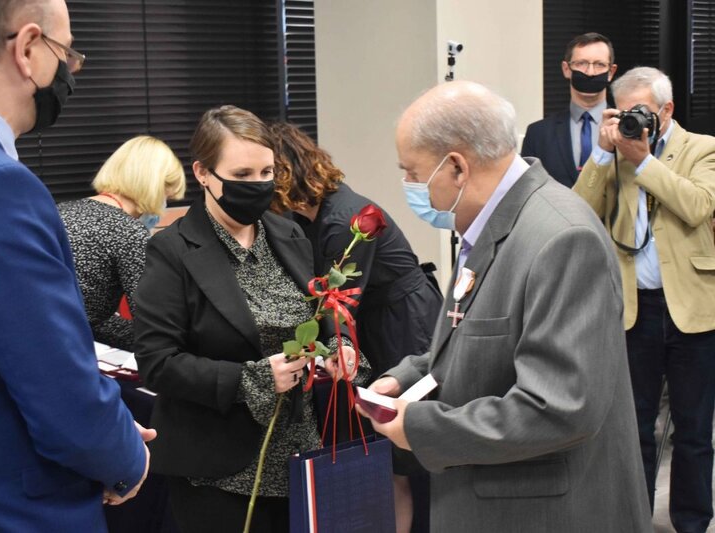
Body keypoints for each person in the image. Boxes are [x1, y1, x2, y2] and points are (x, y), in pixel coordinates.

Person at [359, 80, 652, 532]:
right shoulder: (488, 225)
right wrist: (406, 379)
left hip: (544, 511)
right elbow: (466, 339)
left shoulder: (560, 237)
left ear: (456, 166)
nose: (409, 186)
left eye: (413, 173)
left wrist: (421, 428)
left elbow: (559, 407)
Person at [0, 0, 153, 531]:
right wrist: (124, 459)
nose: (69, 72)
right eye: (66, 53)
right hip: (0, 509)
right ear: (26, 49)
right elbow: (62, 397)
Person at [133, 105, 367, 533]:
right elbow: (158, 362)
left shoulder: (289, 233)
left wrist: (341, 347)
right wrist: (253, 379)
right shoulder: (173, 250)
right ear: (203, 173)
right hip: (219, 469)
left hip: (300, 453)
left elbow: (318, 312)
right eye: (242, 175)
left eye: (266, 173)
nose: (258, 186)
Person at [269, 121, 442, 533]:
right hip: (382, 318)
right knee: (390, 447)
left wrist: (338, 344)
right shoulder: (314, 217)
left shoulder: (345, 219)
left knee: (404, 451)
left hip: (404, 322)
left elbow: (341, 300)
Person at [574, 66, 715, 533]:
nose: (635, 121)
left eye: (644, 113)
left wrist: (643, 161)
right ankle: (632, 519)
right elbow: (578, 213)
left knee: (693, 431)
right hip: (635, 309)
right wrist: (601, 153)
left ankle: (692, 523)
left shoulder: (702, 148)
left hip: (693, 308)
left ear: (667, 110)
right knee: (633, 428)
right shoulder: (614, 155)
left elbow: (696, 205)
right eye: (626, 112)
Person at [58, 135, 185, 351]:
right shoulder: (129, 231)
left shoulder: (61, 211)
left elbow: (88, 314)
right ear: (154, 187)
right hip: (73, 349)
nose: (162, 207)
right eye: (167, 197)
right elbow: (153, 326)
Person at [521, 32, 618, 188]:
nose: (590, 72)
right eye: (581, 63)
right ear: (566, 69)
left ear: (611, 72)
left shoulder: (625, 129)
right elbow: (527, 190)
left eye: (599, 65)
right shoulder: (538, 134)